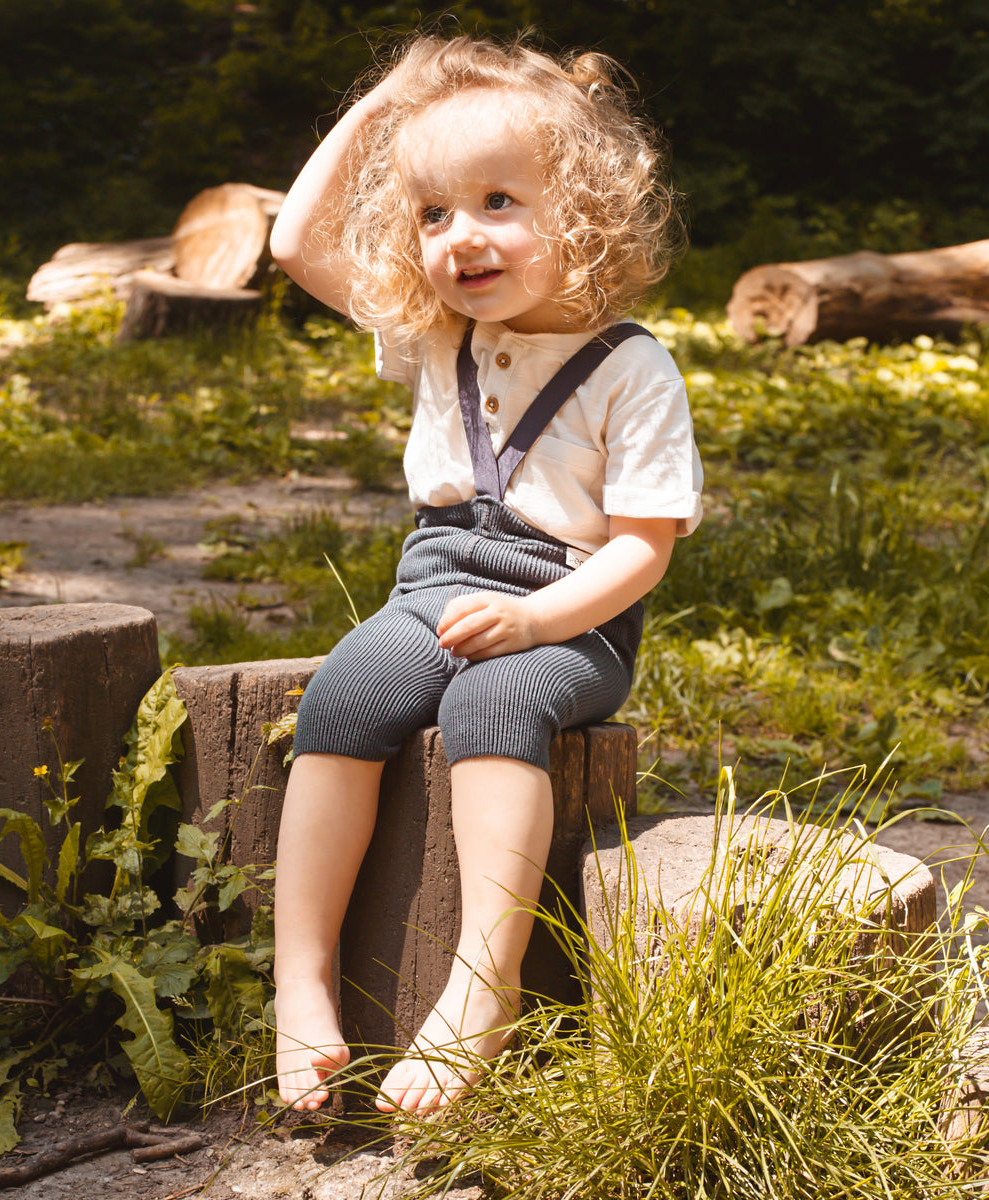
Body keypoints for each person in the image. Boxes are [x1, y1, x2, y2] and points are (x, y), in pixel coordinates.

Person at [267, 32, 703, 1114]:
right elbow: (288, 243)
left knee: (498, 697)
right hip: (436, 583)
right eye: (432, 213)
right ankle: (300, 984)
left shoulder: (632, 366)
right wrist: (388, 106)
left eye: (499, 201)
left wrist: (536, 622)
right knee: (349, 691)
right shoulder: (432, 334)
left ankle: (481, 986)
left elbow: (643, 550)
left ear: (585, 216)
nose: (463, 237)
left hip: (575, 609)